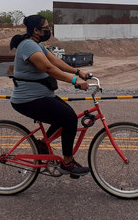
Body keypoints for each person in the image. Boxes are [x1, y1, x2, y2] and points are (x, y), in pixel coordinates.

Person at [10, 14, 91, 176]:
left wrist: (79, 71)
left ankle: (41, 144)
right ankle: (67, 163)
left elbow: (55, 61)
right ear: (36, 30)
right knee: (69, 119)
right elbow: (48, 68)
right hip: (28, 99)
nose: (48, 30)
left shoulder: (36, 45)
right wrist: (75, 80)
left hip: (41, 96)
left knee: (67, 117)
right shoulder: (28, 46)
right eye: (46, 28)